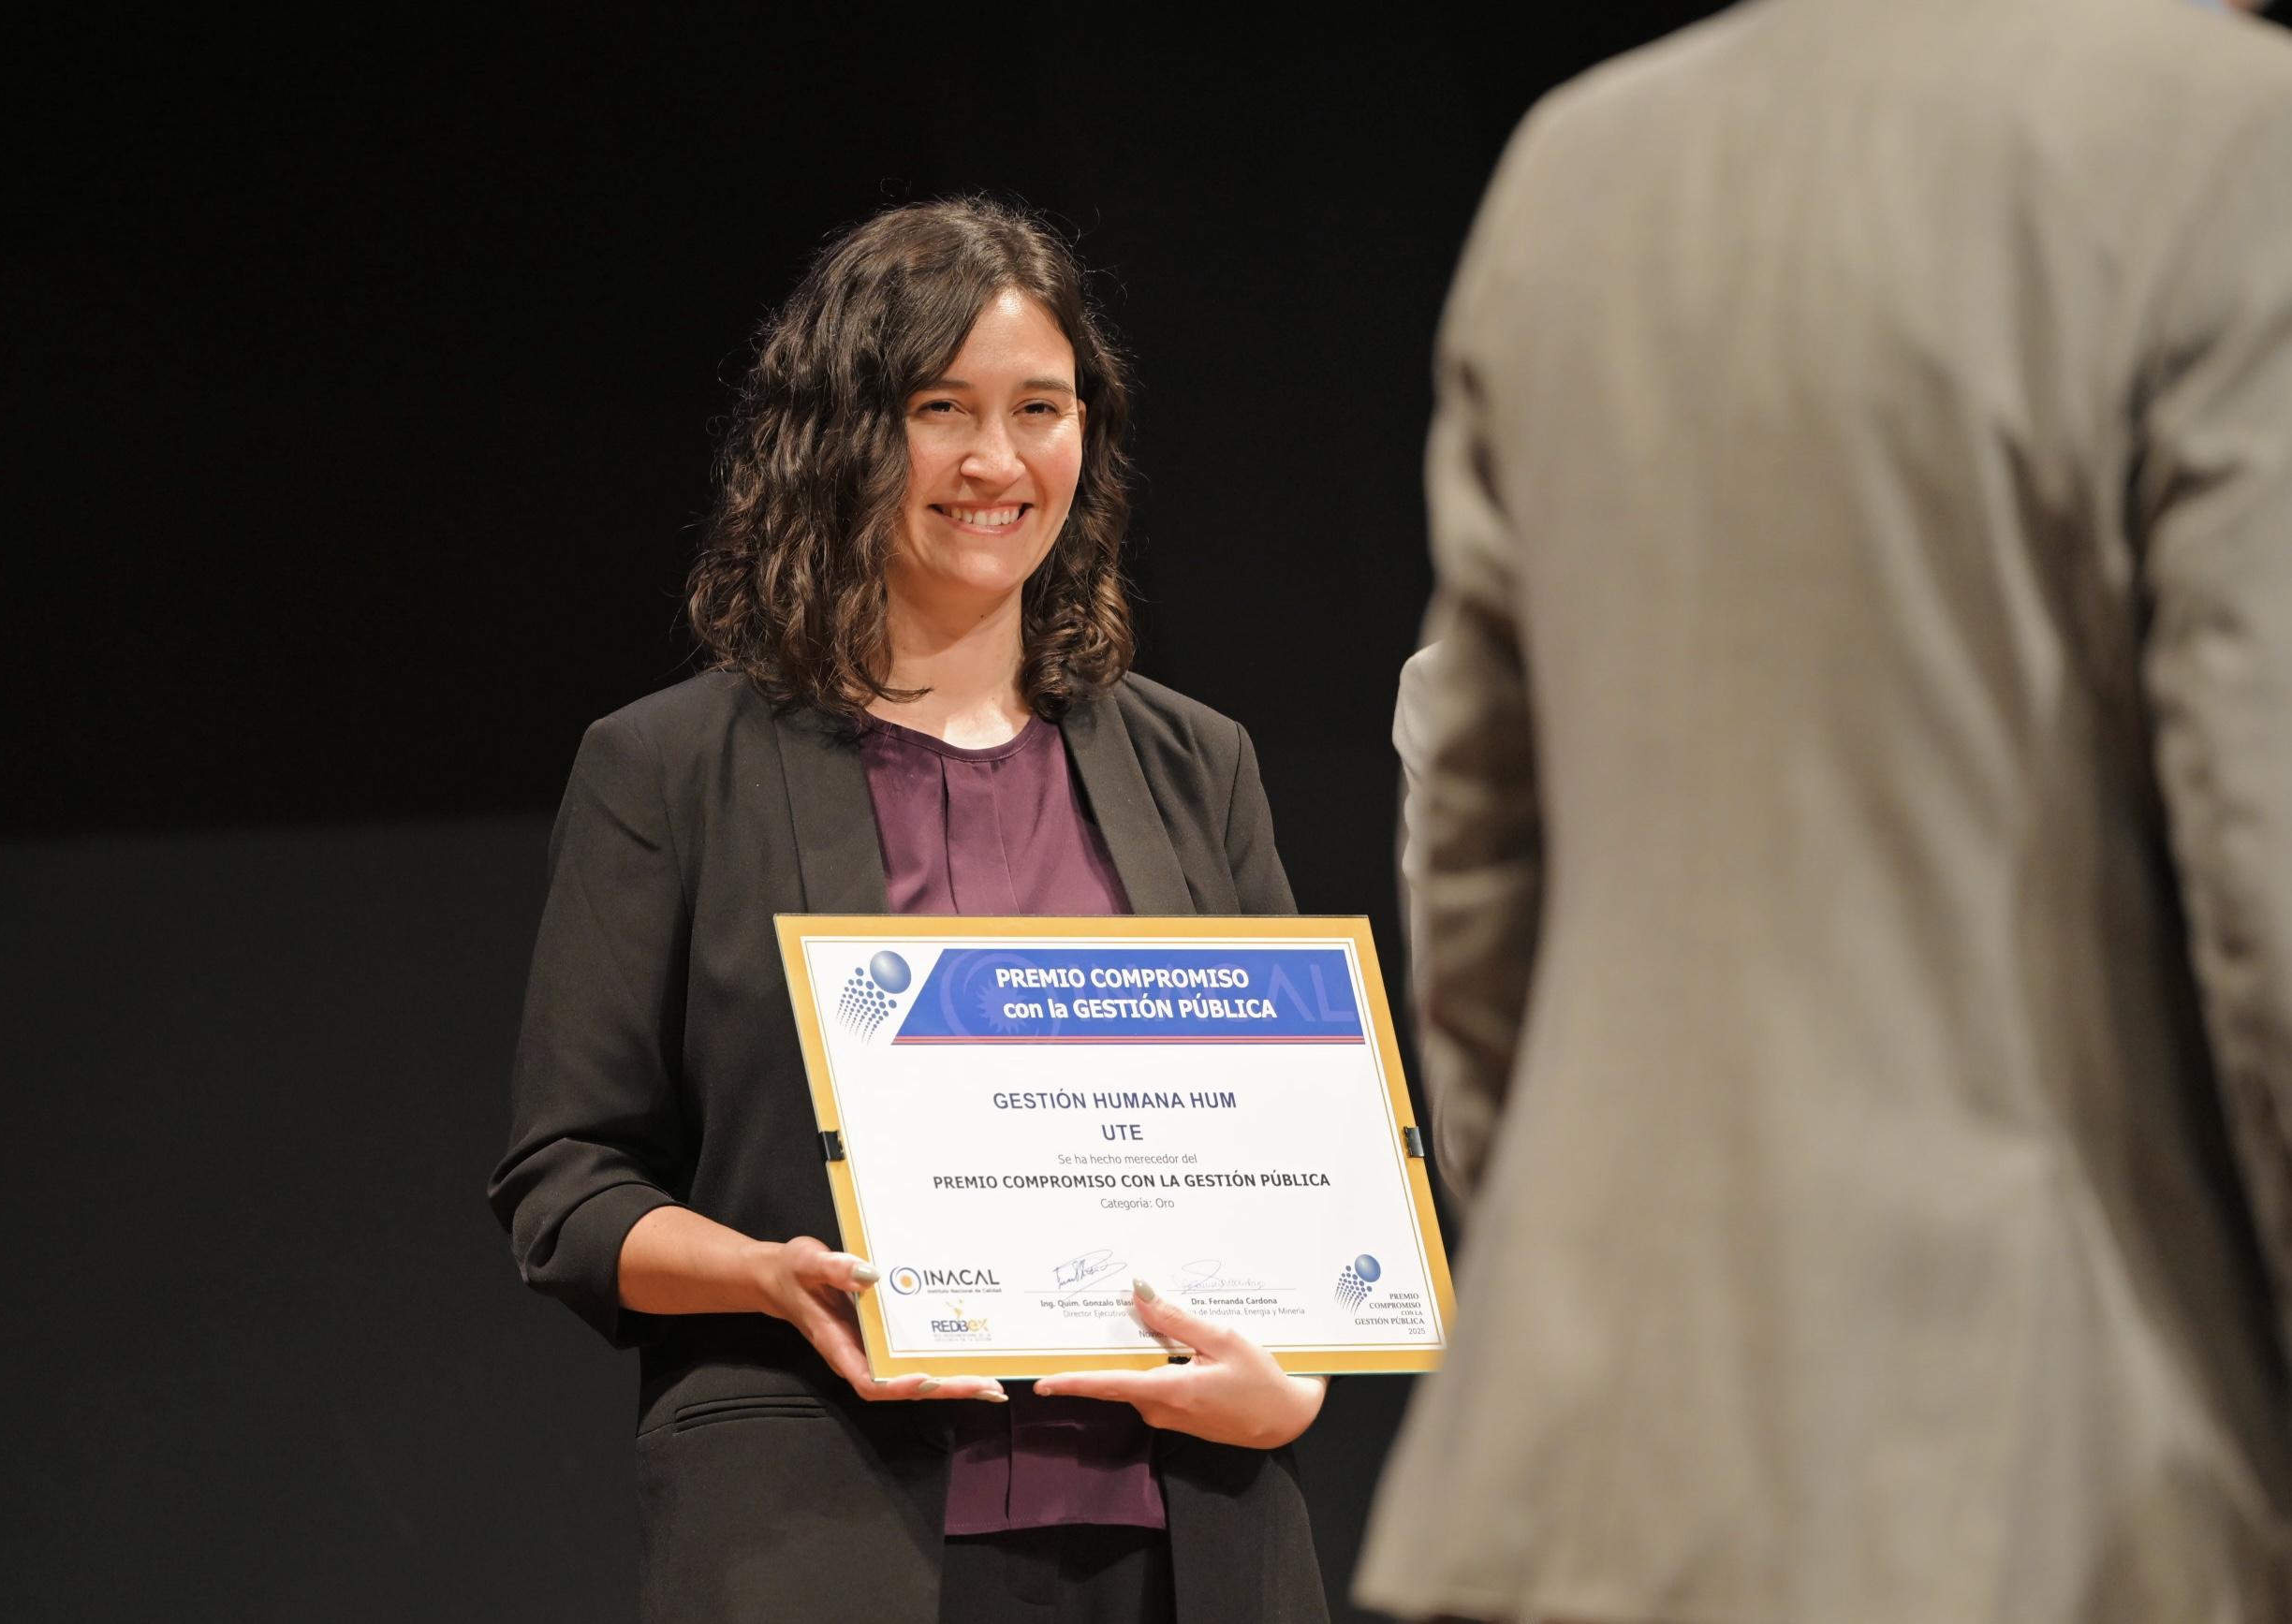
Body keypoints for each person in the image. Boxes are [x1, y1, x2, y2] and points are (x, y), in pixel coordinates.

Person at [1357, 2, 2292, 1621]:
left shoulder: (1577, 165)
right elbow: (2268, 888)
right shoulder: (2226, 134)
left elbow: (1482, 890)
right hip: (2058, 1492)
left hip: (1597, 1481)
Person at [490, 198, 1330, 1624]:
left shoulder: (1198, 764)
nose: (997, 461)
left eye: (1039, 408)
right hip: (823, 1532)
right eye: (940, 409)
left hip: (1191, 1538)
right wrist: (767, 1277)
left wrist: (1292, 1384)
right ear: (838, 434)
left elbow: (1297, 1161)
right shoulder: (670, 770)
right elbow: (565, 1190)